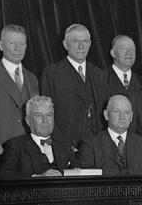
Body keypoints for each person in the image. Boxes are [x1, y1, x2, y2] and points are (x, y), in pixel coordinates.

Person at [40, 23, 108, 151]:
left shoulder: (99, 74)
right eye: (76, 41)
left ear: (90, 44)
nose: (81, 46)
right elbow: (47, 115)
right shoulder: (52, 73)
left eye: (85, 41)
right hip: (65, 146)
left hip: (96, 147)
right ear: (65, 44)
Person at [0, 24, 39, 155]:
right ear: (1, 45)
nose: (17, 48)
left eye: (22, 44)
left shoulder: (32, 78)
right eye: (12, 43)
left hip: (30, 152)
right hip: (0, 153)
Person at [78, 95, 142, 176]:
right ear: (106, 115)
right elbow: (87, 181)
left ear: (131, 116)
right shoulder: (90, 145)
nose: (122, 117)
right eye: (116, 111)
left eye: (127, 112)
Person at [0, 95, 75, 178]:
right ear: (28, 121)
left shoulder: (63, 145)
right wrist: (36, 177)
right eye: (39, 116)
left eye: (49, 115)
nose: (45, 120)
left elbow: (79, 172)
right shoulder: (15, 146)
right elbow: (3, 175)